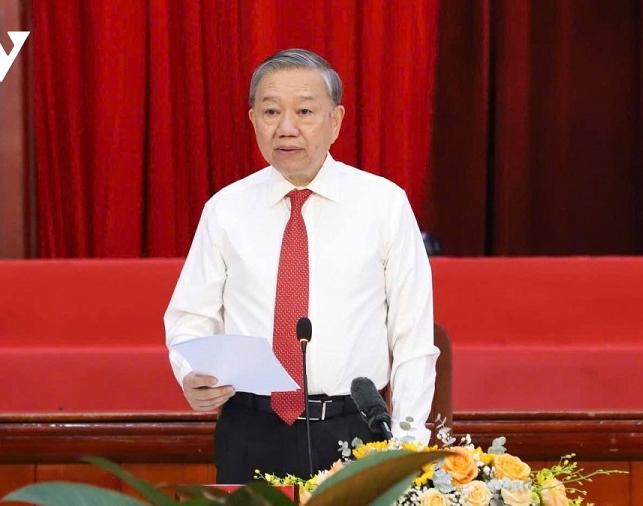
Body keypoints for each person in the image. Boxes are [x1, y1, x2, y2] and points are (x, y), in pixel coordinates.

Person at [164, 48, 438, 484]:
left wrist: (405, 449)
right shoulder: (225, 209)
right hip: (249, 428)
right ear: (253, 119)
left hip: (353, 431)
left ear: (336, 120)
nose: (286, 128)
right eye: (271, 111)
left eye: (305, 111)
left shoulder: (383, 205)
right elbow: (189, 318)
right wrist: (190, 375)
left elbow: (413, 339)